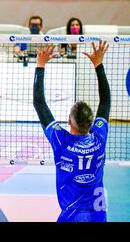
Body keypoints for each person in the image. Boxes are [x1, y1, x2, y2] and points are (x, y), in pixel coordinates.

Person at [33, 41, 110, 222]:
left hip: (71, 215)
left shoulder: (61, 141)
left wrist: (40, 65)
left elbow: (39, 103)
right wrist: (98, 64)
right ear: (92, 123)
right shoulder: (100, 137)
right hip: (99, 213)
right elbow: (105, 102)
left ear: (69, 122)